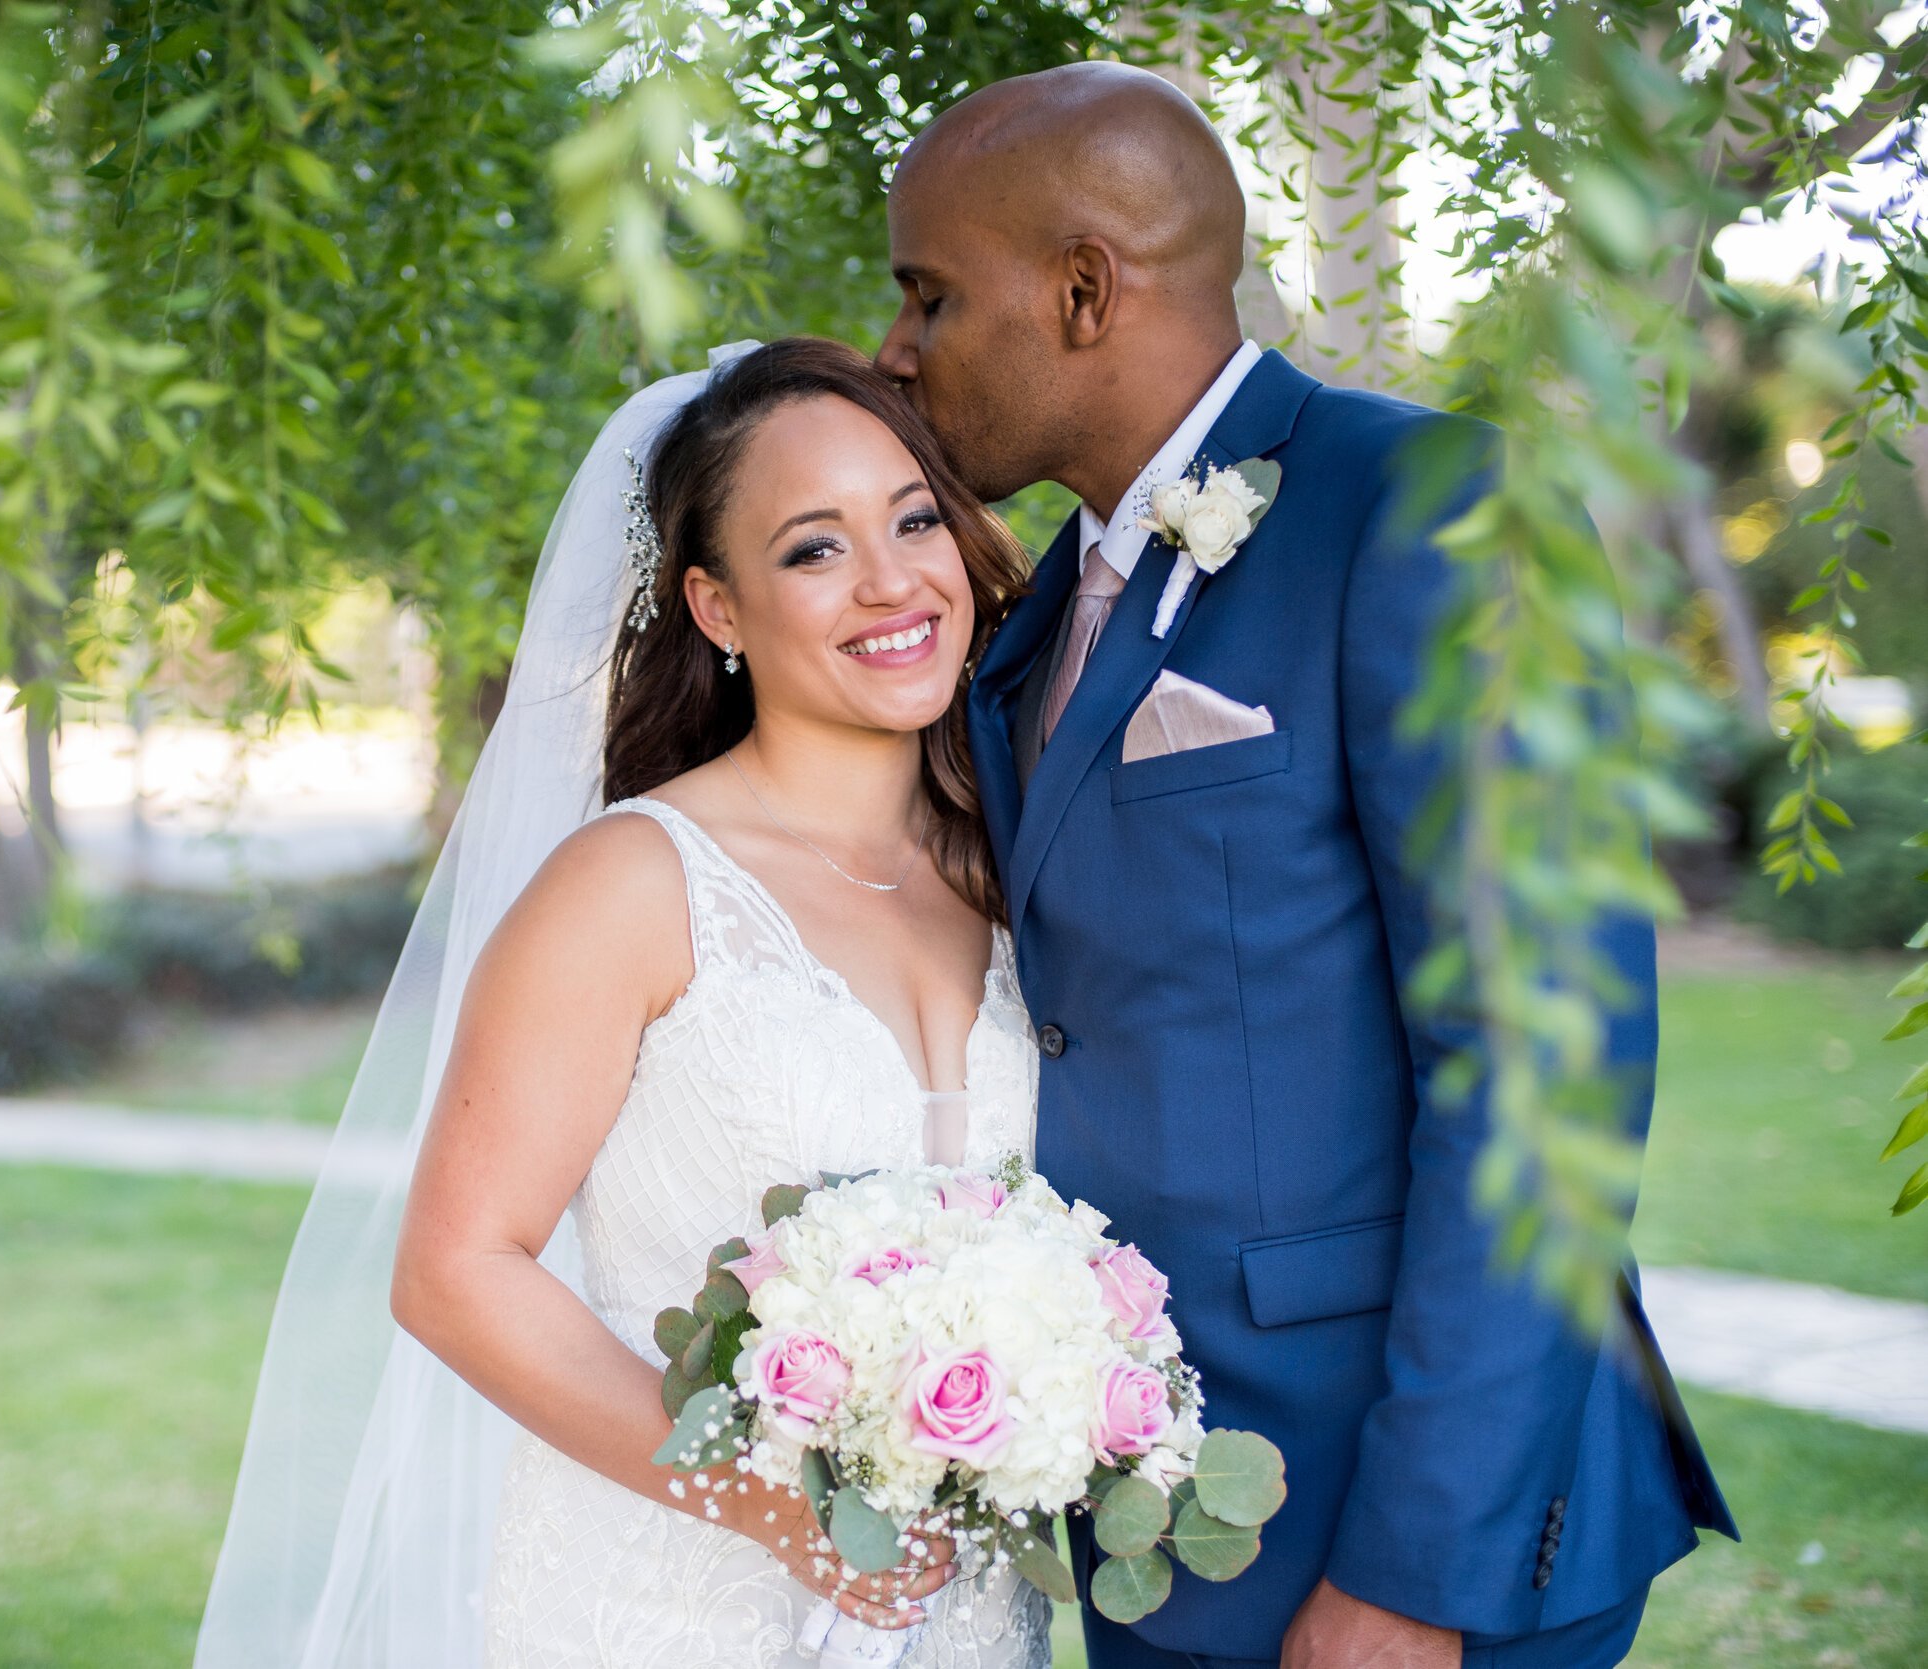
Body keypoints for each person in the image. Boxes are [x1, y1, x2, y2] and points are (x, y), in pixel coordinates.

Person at [875, 61, 1734, 1669]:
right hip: (1151, 1513)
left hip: (1404, 1536)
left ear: (1082, 290)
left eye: (929, 294)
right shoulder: (1032, 619)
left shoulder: (1434, 507)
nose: (894, 349)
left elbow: (1542, 1075)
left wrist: (1413, 1576)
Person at [193, 338, 1053, 1668]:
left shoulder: (1012, 868)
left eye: (916, 518)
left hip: (968, 1616)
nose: (894, 581)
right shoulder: (635, 883)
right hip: (673, 1603)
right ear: (718, 608)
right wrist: (772, 1505)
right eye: (815, 548)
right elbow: (456, 1271)